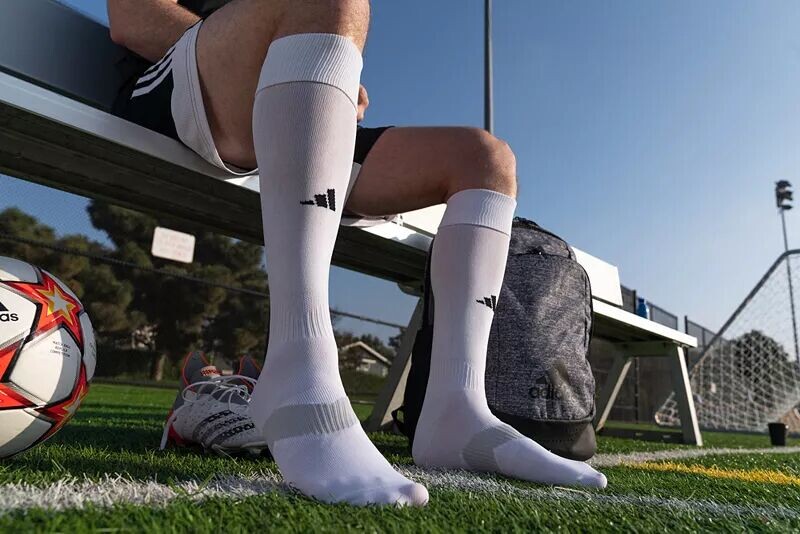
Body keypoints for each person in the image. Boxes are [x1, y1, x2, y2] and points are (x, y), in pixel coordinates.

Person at [107, 0, 607, 507]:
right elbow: (132, 17)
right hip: (175, 85)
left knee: (485, 158)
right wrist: (282, 39)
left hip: (283, 97)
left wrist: (320, 62)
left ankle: (456, 410)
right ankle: (297, 368)